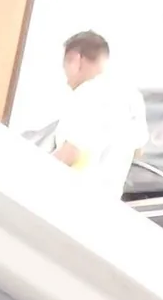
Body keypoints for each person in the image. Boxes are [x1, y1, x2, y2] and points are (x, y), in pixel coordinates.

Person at [54, 31, 147, 198]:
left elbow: (71, 152)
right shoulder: (132, 97)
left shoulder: (87, 94)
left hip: (76, 197)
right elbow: (139, 150)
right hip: (108, 203)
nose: (66, 78)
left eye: (65, 65)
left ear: (76, 60)